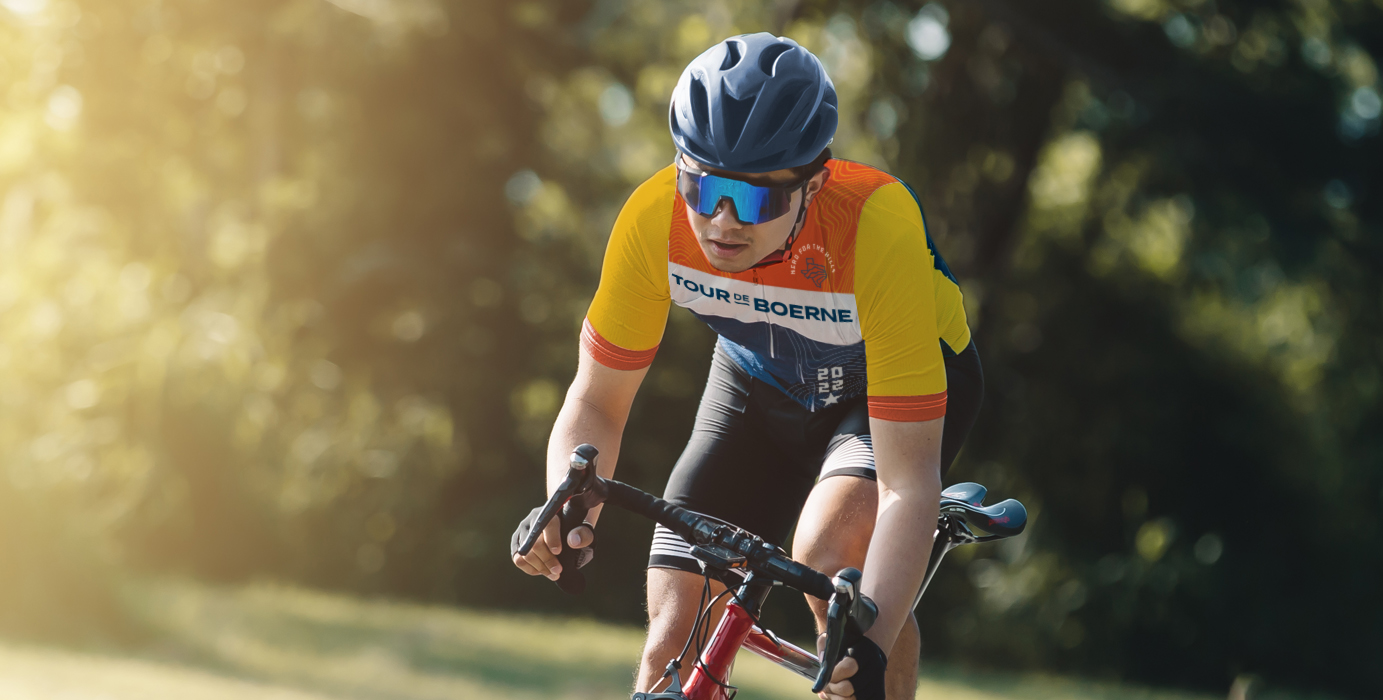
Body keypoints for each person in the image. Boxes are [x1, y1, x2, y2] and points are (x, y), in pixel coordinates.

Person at [511, 32, 982, 700]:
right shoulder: (653, 220)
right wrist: (563, 498)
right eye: (703, 188)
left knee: (831, 560)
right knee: (671, 647)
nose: (723, 221)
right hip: (755, 385)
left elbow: (908, 482)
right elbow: (595, 404)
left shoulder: (875, 227)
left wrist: (869, 656)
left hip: (880, 392)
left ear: (813, 184)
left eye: (757, 198)